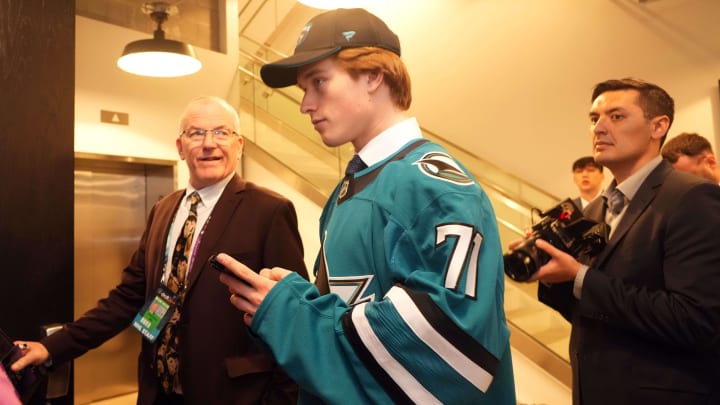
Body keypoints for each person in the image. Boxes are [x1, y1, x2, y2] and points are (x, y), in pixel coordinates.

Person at [214, 8, 516, 404]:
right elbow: (359, 305)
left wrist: (291, 314)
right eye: (304, 89)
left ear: (374, 76)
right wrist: (299, 297)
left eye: (319, 82)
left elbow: (449, 353)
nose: (305, 104)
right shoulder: (352, 186)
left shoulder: (436, 189)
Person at [11, 96, 309, 404]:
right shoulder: (163, 210)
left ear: (239, 144)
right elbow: (127, 298)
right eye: (196, 133)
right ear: (180, 147)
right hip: (160, 390)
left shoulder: (269, 210)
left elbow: (292, 314)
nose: (209, 143)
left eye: (221, 132)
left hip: (233, 394)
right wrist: (53, 347)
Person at [524, 78, 720, 404]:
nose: (598, 128)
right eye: (593, 118)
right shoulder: (598, 207)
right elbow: (593, 313)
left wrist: (580, 277)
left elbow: (696, 320)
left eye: (616, 117)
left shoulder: (692, 197)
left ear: (659, 126)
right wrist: (553, 274)